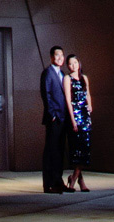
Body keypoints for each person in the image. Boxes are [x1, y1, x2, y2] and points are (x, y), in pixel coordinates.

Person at [62, 52, 93, 192]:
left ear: (79, 63)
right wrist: (73, 120)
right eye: (70, 63)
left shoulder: (84, 78)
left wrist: (90, 106)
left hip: (85, 115)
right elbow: (68, 100)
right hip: (74, 115)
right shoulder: (67, 78)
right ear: (67, 66)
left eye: (75, 62)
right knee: (76, 148)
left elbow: (88, 94)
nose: (73, 66)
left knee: (85, 148)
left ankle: (75, 177)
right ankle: (77, 178)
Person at [39, 45, 67, 193]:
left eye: (62, 55)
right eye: (57, 55)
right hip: (54, 118)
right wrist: (53, 115)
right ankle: (48, 184)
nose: (60, 58)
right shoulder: (47, 73)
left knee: (60, 152)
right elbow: (46, 95)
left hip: (63, 119)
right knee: (51, 151)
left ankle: (58, 181)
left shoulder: (62, 73)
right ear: (51, 57)